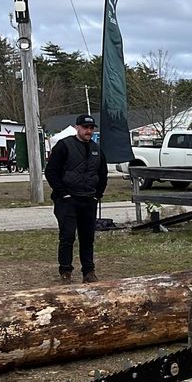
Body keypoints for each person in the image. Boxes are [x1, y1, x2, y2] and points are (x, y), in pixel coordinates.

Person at [44, 114, 107, 283]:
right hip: (67, 200)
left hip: (88, 199)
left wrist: (97, 194)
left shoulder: (96, 149)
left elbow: (102, 174)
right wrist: (63, 193)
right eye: (85, 128)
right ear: (77, 127)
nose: (88, 131)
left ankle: (89, 271)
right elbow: (51, 171)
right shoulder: (64, 146)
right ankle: (65, 271)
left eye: (91, 128)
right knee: (67, 236)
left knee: (88, 238)